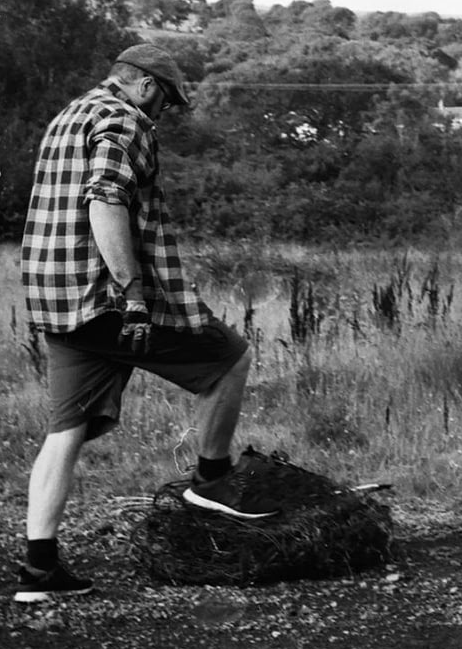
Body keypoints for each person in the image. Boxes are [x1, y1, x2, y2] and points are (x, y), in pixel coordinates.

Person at [16, 43, 271, 603]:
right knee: (228, 359)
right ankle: (211, 480)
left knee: (66, 430)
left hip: (58, 300)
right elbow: (105, 199)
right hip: (108, 297)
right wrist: (133, 292)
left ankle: (39, 570)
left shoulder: (68, 115)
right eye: (167, 103)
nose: (164, 115)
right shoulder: (123, 118)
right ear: (147, 87)